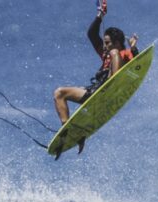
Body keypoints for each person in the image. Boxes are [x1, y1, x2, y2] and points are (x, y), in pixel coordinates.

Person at [52, 0, 139, 156]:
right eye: (104, 44)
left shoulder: (123, 53)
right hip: (96, 90)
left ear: (118, 43)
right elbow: (92, 34)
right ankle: (67, 130)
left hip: (112, 88)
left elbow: (136, 66)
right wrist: (100, 16)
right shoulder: (106, 53)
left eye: (107, 43)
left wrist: (133, 48)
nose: (104, 47)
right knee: (59, 93)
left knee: (114, 54)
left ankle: (113, 83)